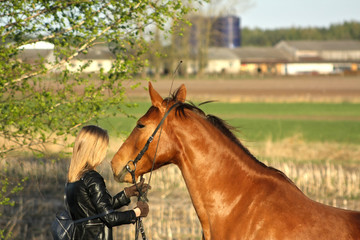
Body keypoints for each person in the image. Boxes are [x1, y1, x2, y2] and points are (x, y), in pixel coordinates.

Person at [65, 125, 150, 240]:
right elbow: (109, 217)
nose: (104, 153)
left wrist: (127, 194)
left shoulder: (73, 178)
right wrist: (137, 212)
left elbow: (98, 209)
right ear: (95, 150)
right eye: (103, 148)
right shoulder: (92, 177)